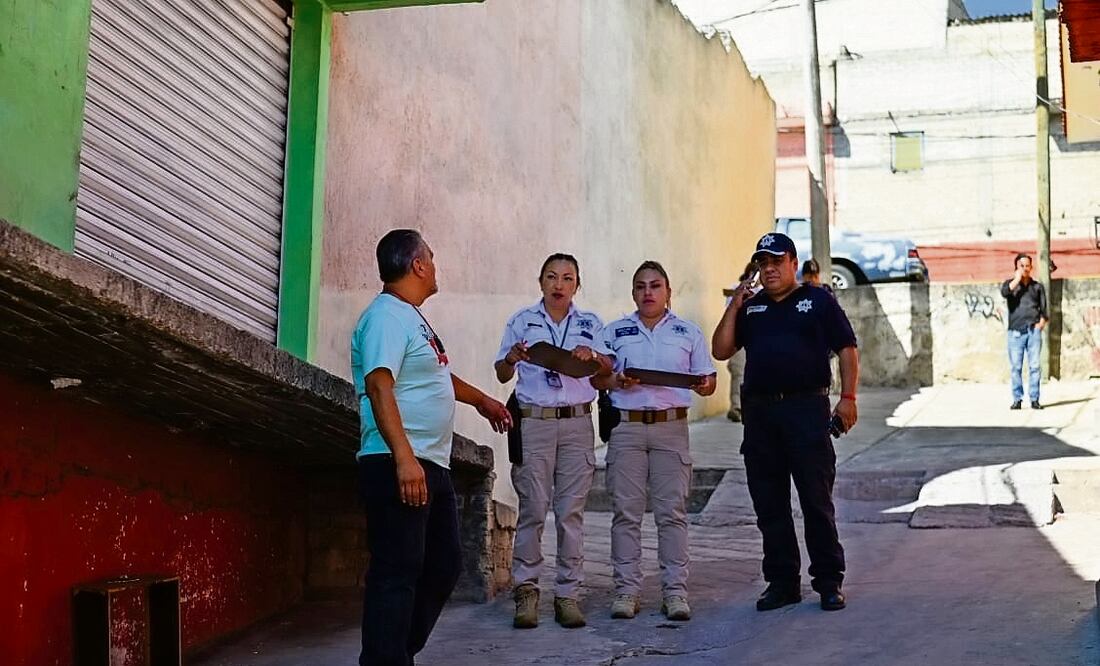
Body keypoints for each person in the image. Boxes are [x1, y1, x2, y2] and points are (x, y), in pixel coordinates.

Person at [351, 229, 512, 665]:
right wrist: (403, 459)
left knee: (444, 565)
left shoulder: (412, 318)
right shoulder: (386, 316)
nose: (435, 267)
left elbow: (437, 375)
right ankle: (386, 659)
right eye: (432, 259)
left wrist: (482, 400)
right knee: (397, 573)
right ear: (418, 265)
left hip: (431, 462)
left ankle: (394, 654)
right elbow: (379, 385)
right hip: (397, 461)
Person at [711, 232, 859, 613]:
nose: (770, 268)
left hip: (806, 411)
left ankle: (828, 581)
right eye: (763, 262)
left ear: (793, 263)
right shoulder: (752, 306)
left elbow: (847, 348)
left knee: (815, 500)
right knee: (769, 504)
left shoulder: (818, 300)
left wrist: (848, 398)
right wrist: (735, 304)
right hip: (760, 417)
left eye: (777, 261)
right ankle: (782, 583)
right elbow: (721, 348)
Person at [592, 261, 717, 622]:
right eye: (641, 286)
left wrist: (704, 385)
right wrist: (616, 382)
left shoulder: (687, 331)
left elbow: (708, 380)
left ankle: (675, 593)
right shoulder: (613, 332)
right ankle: (626, 592)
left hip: (670, 429)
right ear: (633, 292)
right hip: (627, 429)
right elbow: (597, 381)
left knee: (672, 513)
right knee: (626, 514)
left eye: (655, 286)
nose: (648, 292)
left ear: (668, 292)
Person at [494, 253, 612, 629]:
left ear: (578, 284)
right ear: (540, 281)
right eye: (551, 277)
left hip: (577, 424)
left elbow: (607, 372)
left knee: (570, 513)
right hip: (536, 423)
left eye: (567, 278)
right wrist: (511, 358)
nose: (559, 284)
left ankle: (568, 594)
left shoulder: (592, 324)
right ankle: (526, 592)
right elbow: (501, 374)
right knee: (532, 507)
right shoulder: (521, 321)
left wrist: (592, 356)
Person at [1000, 253, 1048, 410]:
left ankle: (1034, 399)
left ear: (1031, 267)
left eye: (1028, 266)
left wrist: (1041, 324)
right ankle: (1017, 399)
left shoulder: (1037, 287)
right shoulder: (1011, 285)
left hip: (1033, 331)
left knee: (1034, 366)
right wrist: (1017, 279)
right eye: (1022, 266)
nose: (1025, 269)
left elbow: (1044, 309)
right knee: (1016, 367)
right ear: (1016, 268)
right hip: (1015, 333)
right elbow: (1004, 293)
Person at [726, 262, 757, 422]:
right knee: (739, 373)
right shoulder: (736, 289)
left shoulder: (764, 292)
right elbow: (729, 312)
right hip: (739, 337)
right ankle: (736, 407)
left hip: (757, 338)